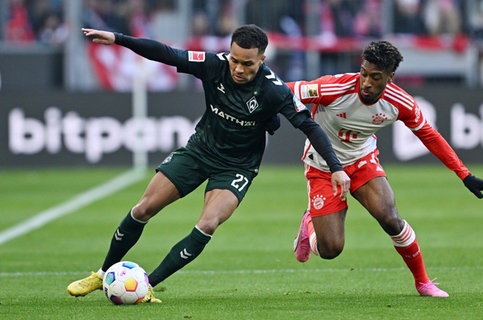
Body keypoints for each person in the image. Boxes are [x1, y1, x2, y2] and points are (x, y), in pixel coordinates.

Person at [67, 24, 350, 303]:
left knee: (208, 223)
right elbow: (167, 53)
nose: (238, 69)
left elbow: (310, 126)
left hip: (237, 167)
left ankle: (145, 286)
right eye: (235, 60)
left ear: (262, 60)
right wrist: (118, 38)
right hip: (199, 151)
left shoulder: (274, 90)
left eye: (247, 64)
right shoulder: (214, 64)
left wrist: (336, 167)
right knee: (143, 208)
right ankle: (103, 273)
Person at [289, 40, 483, 298]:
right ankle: (310, 222)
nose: (366, 82)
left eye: (375, 77)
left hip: (362, 161)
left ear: (390, 77)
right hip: (322, 165)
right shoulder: (334, 87)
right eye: (364, 73)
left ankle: (423, 283)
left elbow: (430, 136)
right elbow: (285, 91)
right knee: (331, 249)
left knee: (390, 217)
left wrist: (464, 174)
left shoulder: (400, 102)